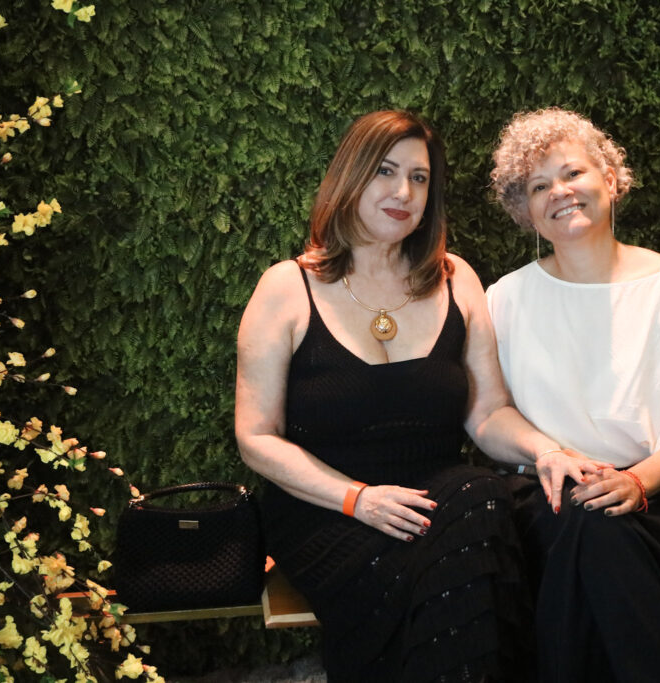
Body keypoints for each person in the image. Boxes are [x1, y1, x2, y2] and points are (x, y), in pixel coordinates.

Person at [235, 110, 556, 682]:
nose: (404, 192)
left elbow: (488, 413)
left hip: (435, 503)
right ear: (351, 176)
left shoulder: (456, 278)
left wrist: (547, 451)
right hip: (326, 510)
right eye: (385, 171)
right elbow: (256, 437)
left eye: (419, 177)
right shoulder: (287, 286)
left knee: (483, 495)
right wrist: (357, 498)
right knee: (465, 556)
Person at [486, 108, 660, 682]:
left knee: (599, 528)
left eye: (573, 173)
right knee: (587, 523)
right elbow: (490, 416)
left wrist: (635, 482)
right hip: (545, 492)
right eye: (538, 186)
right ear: (524, 210)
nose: (560, 192)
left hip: (654, 495)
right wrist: (554, 455)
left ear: (611, 179)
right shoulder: (504, 299)